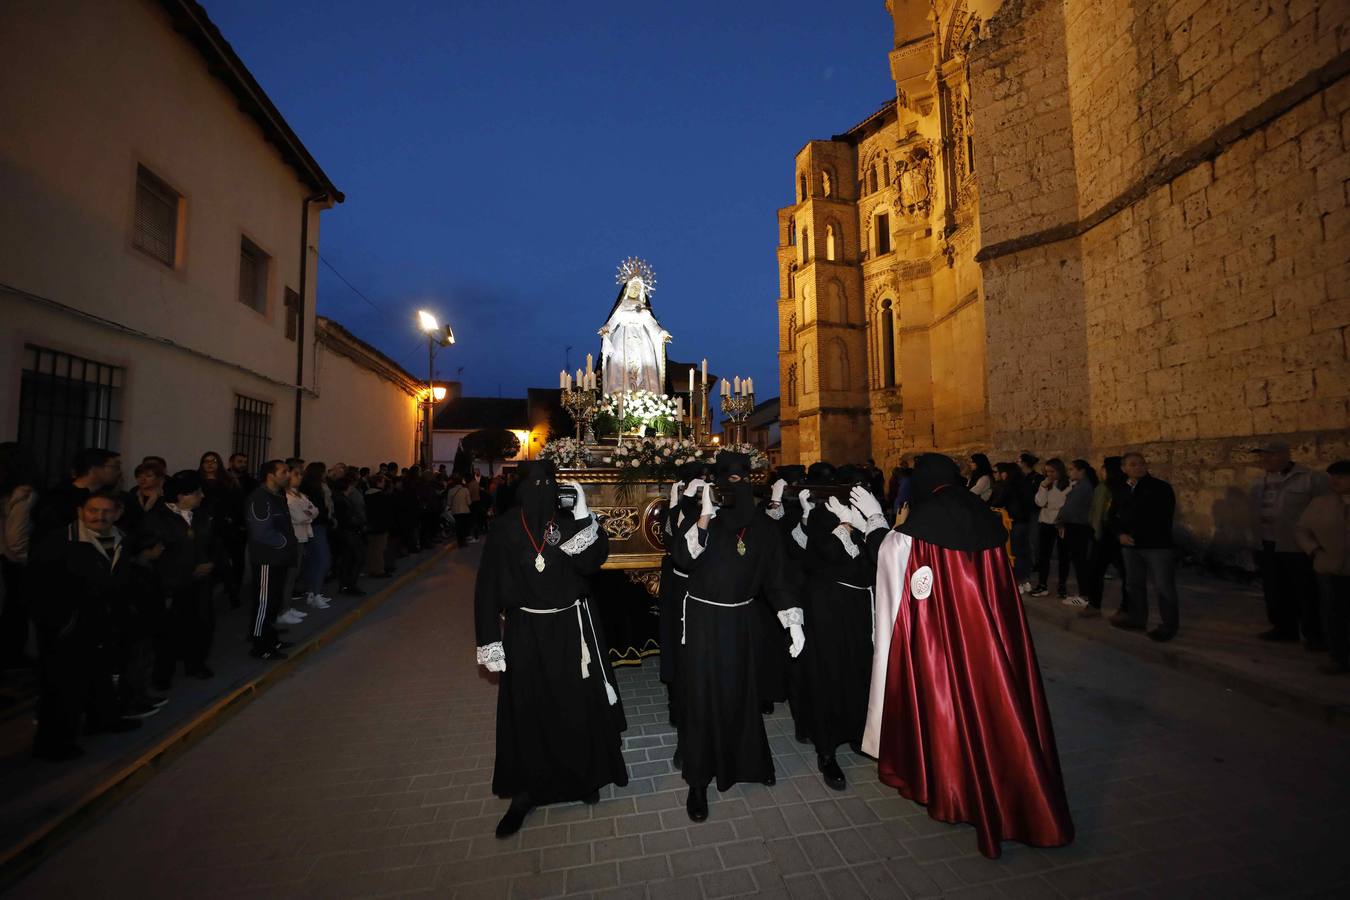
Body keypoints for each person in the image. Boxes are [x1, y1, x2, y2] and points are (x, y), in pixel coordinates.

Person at [852, 454, 1073, 859]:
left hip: (946, 643)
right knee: (996, 706)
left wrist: (873, 526)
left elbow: (890, 562)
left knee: (950, 707)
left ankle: (954, 788)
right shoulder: (981, 513)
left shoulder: (922, 524)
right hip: (989, 639)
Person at [473, 460, 626, 837]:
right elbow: (487, 587)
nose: (543, 490)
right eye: (535, 483)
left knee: (575, 703)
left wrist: (585, 515)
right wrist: (490, 641)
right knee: (528, 708)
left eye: (550, 483)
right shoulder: (507, 528)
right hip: (525, 630)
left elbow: (592, 563)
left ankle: (583, 778)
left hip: (569, 629)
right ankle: (526, 793)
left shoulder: (570, 522)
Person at [667, 452, 804, 823]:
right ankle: (698, 780)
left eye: (742, 480)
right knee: (702, 695)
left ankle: (745, 762)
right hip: (703, 621)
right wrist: (705, 514)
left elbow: (777, 580)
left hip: (742, 621)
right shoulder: (702, 519)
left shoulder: (762, 528)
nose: (734, 488)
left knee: (739, 692)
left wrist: (792, 620)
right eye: (727, 481)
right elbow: (682, 557)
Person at [30, 490, 146, 759]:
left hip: (105, 621)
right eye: (93, 510)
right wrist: (61, 623)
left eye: (107, 511)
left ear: (118, 513)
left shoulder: (123, 540)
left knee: (101, 674)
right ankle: (53, 743)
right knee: (62, 686)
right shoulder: (59, 542)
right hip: (68, 626)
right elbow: (38, 588)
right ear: (80, 511)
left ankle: (102, 720)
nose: (99, 516)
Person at [798, 466, 876, 791]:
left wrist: (867, 521)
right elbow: (826, 554)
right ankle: (826, 750)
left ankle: (857, 734)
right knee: (829, 674)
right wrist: (843, 523)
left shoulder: (866, 515)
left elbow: (876, 555)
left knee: (859, 670)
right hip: (828, 607)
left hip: (858, 608)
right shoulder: (820, 516)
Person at [1249, 440, 1331, 647]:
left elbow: (1324, 509)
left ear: (1286, 455)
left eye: (1271, 454)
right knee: (1275, 589)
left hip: (1295, 545)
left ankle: (1315, 635)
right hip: (1267, 543)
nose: (1265, 459)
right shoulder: (1259, 482)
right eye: (1262, 455)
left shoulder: (1309, 479)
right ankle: (1283, 628)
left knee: (1305, 591)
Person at [143, 470, 221, 685]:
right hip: (171, 585)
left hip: (201, 583)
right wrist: (187, 571)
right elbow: (154, 554)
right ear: (181, 497)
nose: (202, 497)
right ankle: (162, 674)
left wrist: (211, 563)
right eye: (197, 493)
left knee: (202, 625)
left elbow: (214, 542)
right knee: (169, 631)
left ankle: (195, 664)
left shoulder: (203, 515)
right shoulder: (157, 519)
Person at [1112, 453, 1180, 642]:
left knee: (1164, 587)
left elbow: (1161, 516)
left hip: (1156, 545)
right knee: (1134, 584)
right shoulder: (1121, 489)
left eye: (1141, 464)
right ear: (1124, 468)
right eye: (1133, 465)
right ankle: (1137, 618)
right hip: (1130, 545)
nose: (1138, 468)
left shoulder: (1160, 488)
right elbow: (1113, 515)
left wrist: (1134, 533)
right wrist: (1120, 535)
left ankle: (1169, 626)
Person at [1295, 461, 1350, 673]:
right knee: (1334, 613)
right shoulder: (1321, 503)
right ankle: (1338, 656)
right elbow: (1302, 529)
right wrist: (1314, 549)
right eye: (1333, 477)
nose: (1336, 481)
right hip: (1329, 565)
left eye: (1342, 477)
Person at [245, 460, 297, 660]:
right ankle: (259, 644)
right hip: (267, 558)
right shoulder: (260, 498)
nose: (288, 475)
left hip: (280, 557)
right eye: (283, 472)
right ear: (270, 475)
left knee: (274, 600)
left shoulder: (277, 496)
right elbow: (261, 532)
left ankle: (271, 637)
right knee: (264, 602)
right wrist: (285, 542)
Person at [0, 443, 40, 667]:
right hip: (13, 560)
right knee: (15, 611)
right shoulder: (22, 493)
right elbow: (16, 535)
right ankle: (13, 658)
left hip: (8, 557)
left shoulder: (10, 492)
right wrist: (22, 558)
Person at [32, 448, 123, 543]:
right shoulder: (61, 498)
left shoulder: (103, 496)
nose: (119, 472)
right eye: (115, 467)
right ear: (94, 468)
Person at [1080, 457, 1129, 618]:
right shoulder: (1108, 487)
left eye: (1103, 468)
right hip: (1106, 534)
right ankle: (1099, 605)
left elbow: (1103, 513)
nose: (1101, 471)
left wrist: (1098, 532)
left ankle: (1122, 607)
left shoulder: (1113, 488)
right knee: (1098, 571)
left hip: (1110, 535)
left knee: (1122, 572)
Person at [1056, 460, 1097, 608]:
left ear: (1082, 471)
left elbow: (1070, 508)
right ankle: (1084, 593)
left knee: (1080, 561)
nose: (1069, 472)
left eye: (1072, 469)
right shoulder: (1080, 486)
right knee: (1079, 560)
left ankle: (1084, 595)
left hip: (1078, 527)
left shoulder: (1084, 487)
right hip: (1076, 526)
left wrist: (1059, 519)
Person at [281, 459, 316, 625]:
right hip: (293, 539)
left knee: (294, 574)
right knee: (288, 576)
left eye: (301, 474)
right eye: (297, 474)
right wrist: (307, 513)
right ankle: (283, 610)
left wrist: (308, 513)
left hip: (302, 537)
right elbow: (301, 516)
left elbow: (314, 510)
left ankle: (288, 607)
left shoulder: (301, 495)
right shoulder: (287, 497)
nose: (300, 477)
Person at [1030, 459, 1070, 598]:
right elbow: (1039, 502)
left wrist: (1062, 518)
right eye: (1047, 472)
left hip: (1061, 522)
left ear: (1060, 470)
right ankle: (1042, 584)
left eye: (1052, 471)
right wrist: (1043, 487)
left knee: (1063, 555)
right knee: (1044, 555)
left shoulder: (1069, 484)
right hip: (1046, 522)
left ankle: (1062, 584)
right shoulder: (1046, 484)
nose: (1050, 474)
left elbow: (1067, 504)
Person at [299, 462, 335, 610]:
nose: (326, 474)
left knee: (316, 561)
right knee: (323, 560)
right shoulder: (310, 489)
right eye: (324, 471)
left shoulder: (320, 487)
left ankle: (313, 592)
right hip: (315, 527)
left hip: (320, 526)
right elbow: (313, 510)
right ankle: (315, 593)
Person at [331, 474, 367, 596]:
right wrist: (360, 522)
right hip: (348, 533)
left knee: (349, 559)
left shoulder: (341, 499)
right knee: (357, 557)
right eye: (351, 486)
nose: (353, 488)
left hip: (346, 532)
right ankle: (350, 584)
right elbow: (347, 519)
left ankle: (346, 584)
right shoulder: (342, 501)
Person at [1013, 453, 1042, 589]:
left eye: (1018, 461)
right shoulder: (1020, 478)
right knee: (1025, 543)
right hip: (1024, 514)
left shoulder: (1036, 478)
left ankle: (1035, 566)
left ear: (1024, 463)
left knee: (1033, 541)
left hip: (1034, 513)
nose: (1016, 463)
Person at [118, 461, 165, 535]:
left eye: (148, 476)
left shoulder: (165, 498)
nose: (143, 479)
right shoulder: (130, 496)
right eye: (139, 476)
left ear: (159, 478)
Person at [364, 474, 394, 578]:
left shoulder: (366, 495)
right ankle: (379, 570)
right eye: (382, 481)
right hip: (381, 526)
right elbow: (387, 512)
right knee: (379, 548)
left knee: (371, 548)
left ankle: (371, 568)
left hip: (369, 525)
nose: (384, 483)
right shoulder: (382, 496)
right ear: (378, 482)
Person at [446, 477, 472, 548]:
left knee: (458, 526)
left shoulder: (451, 491)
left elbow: (448, 503)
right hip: (465, 511)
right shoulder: (465, 490)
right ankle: (464, 541)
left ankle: (460, 541)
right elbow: (469, 502)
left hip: (455, 511)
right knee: (464, 526)